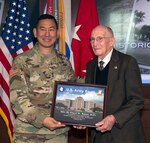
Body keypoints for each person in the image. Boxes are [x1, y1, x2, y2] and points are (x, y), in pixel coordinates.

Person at [10, 14, 76, 143]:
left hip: (58, 133)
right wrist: (42, 119)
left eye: (51, 29)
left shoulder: (64, 61)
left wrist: (78, 117)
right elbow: (17, 98)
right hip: (28, 133)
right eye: (42, 29)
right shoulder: (21, 61)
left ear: (57, 33)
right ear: (35, 32)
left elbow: (72, 91)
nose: (47, 34)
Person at [85, 25, 146, 143]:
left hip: (123, 134)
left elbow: (137, 100)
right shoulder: (91, 65)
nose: (95, 43)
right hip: (98, 134)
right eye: (92, 39)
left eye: (99, 38)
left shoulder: (127, 62)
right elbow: (90, 98)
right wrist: (82, 119)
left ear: (112, 41)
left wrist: (113, 118)